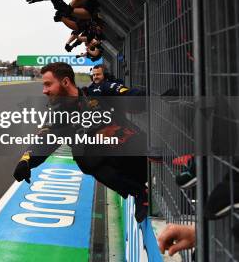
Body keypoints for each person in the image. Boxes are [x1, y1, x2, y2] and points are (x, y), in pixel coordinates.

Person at [12, 62, 149, 221]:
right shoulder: (59, 117)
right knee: (84, 156)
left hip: (143, 153)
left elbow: (129, 95)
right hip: (127, 172)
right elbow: (44, 140)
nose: (44, 91)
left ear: (65, 82)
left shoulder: (98, 91)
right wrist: (26, 161)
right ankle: (140, 192)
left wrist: (148, 96)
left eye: (48, 84)